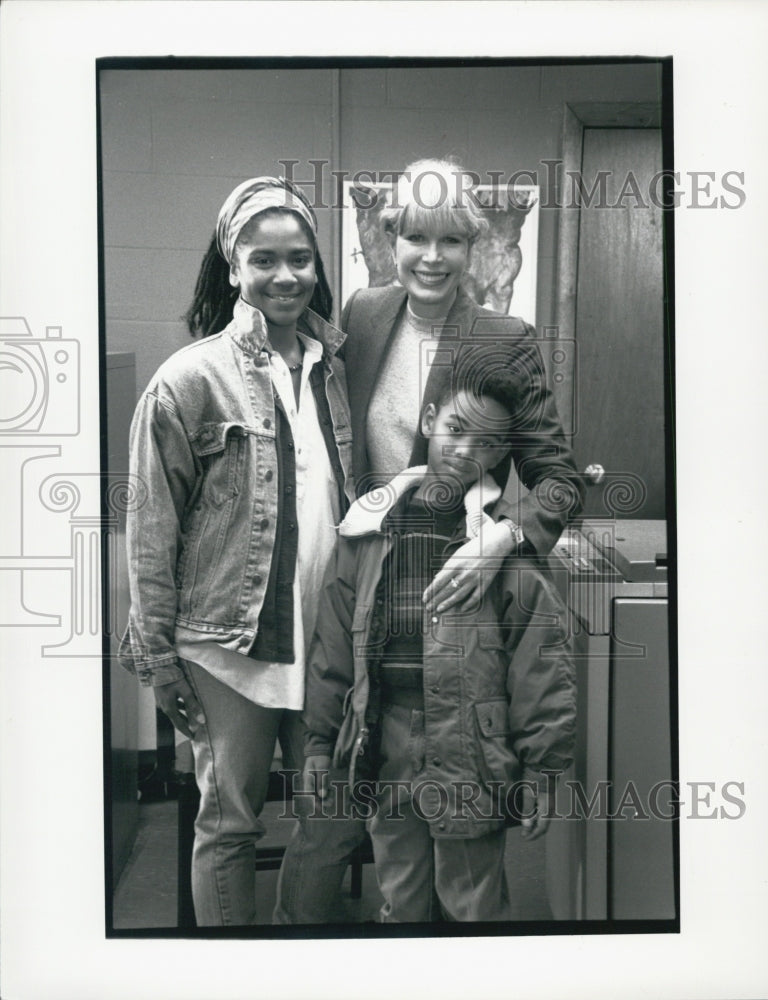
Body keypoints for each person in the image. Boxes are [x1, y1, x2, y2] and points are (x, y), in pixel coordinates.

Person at [274, 157, 583, 923]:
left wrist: (504, 538)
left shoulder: (505, 339)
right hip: (371, 585)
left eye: (450, 239)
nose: (432, 256)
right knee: (375, 835)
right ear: (392, 239)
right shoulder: (365, 313)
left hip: (461, 597)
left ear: (475, 244)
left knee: (466, 853)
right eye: (415, 236)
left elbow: (559, 481)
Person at [118, 176, 354, 926]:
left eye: (300, 259)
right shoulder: (187, 381)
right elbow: (152, 534)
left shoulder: (335, 373)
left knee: (334, 819)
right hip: (229, 651)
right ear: (232, 267)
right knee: (229, 825)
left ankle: (291, 952)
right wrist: (158, 660)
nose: (285, 276)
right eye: (264, 260)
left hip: (323, 645)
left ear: (318, 265)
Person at [298, 371, 577, 921]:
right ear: (429, 422)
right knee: (400, 896)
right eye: (456, 428)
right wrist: (317, 741)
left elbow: (540, 669)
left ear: (504, 452)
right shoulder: (367, 532)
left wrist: (543, 771)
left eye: (491, 442)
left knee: (472, 901)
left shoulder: (505, 551)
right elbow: (332, 649)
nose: (468, 450)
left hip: (470, 745)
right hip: (383, 737)